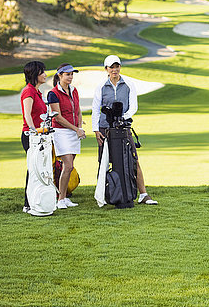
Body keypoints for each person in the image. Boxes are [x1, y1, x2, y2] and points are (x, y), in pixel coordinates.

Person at [92, 55, 158, 205]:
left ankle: (143, 194)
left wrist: (123, 116)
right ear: (106, 69)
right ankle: (103, 195)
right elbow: (96, 109)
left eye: (117, 66)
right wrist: (96, 130)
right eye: (111, 67)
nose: (114, 70)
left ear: (120, 67)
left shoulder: (128, 84)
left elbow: (133, 106)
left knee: (133, 159)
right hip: (105, 128)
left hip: (124, 127)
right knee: (103, 161)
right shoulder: (101, 86)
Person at [48, 63, 85, 209]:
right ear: (60, 76)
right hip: (61, 132)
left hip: (74, 131)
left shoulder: (74, 90)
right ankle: (60, 200)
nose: (70, 77)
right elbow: (58, 117)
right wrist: (76, 129)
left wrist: (80, 128)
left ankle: (63, 197)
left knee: (68, 167)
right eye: (67, 74)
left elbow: (78, 111)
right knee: (68, 165)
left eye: (72, 74)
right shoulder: (53, 93)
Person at [21, 61, 48, 213]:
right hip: (31, 137)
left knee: (38, 169)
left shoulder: (37, 92)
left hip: (39, 136)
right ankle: (28, 203)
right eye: (42, 72)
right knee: (33, 169)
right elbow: (27, 115)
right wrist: (34, 132)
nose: (45, 74)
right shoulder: (28, 91)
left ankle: (37, 200)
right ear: (34, 74)